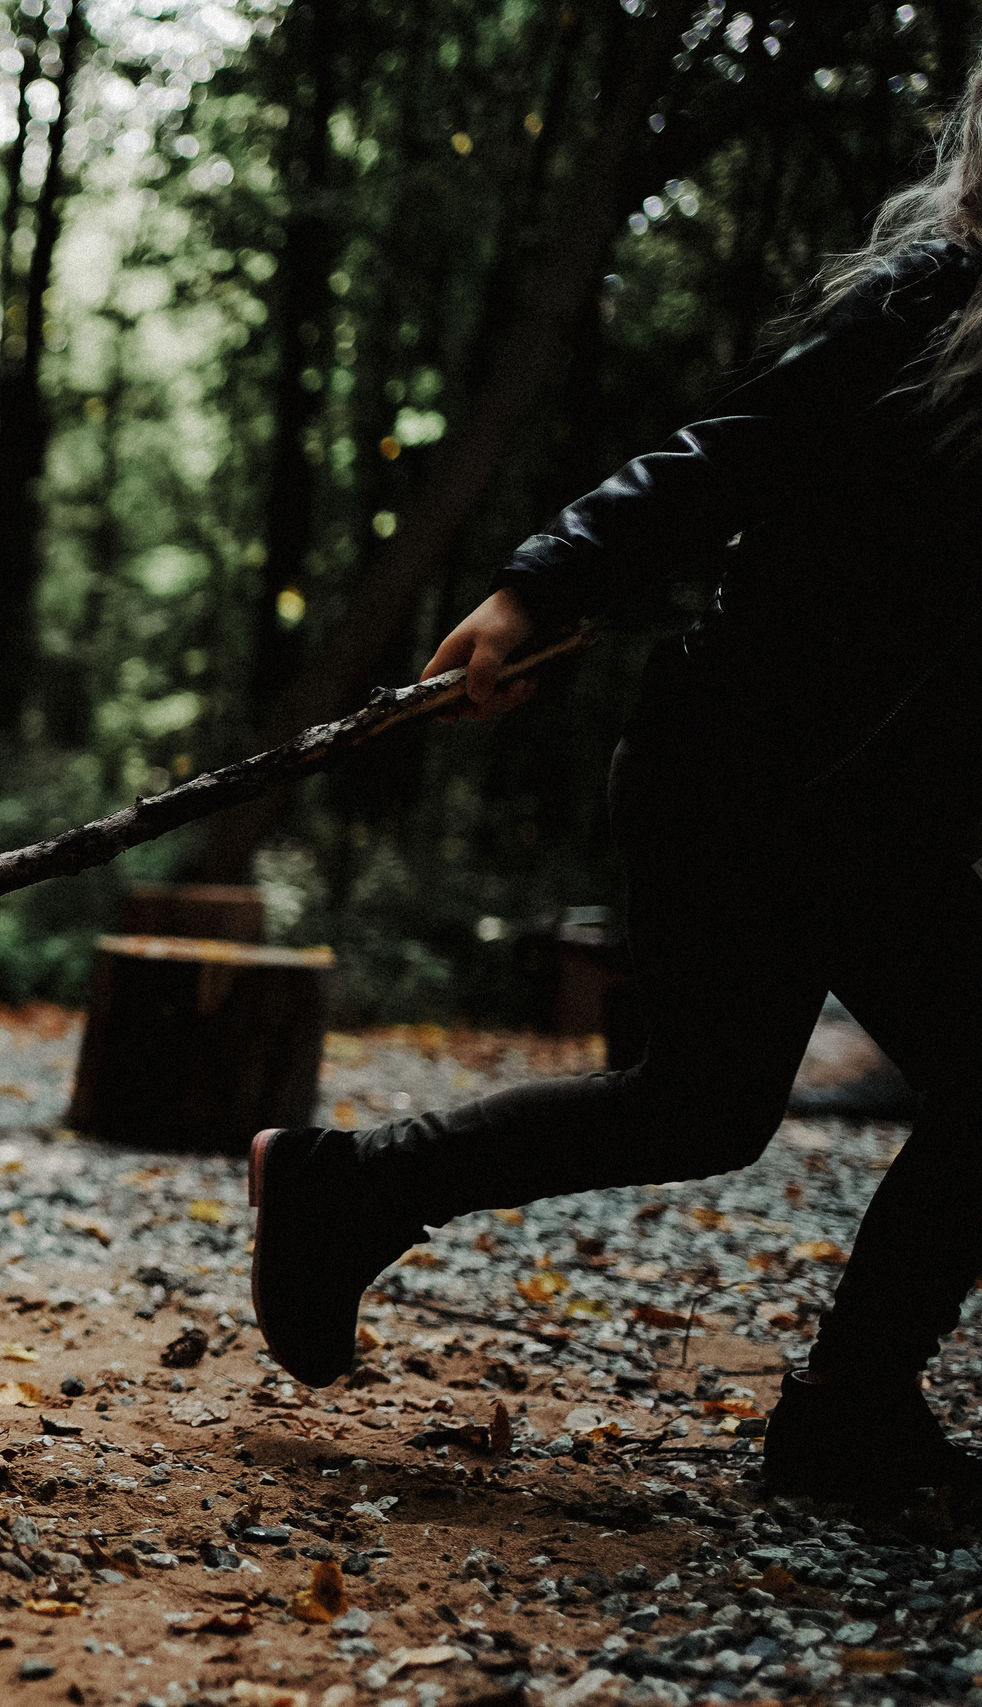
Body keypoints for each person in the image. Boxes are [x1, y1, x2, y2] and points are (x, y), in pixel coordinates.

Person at [246, 61, 982, 1507]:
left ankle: (347, 1192)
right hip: (751, 773)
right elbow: (716, 459)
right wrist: (537, 590)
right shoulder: (931, 299)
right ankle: (848, 1418)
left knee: (701, 1105)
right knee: (735, 1099)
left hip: (855, 804)